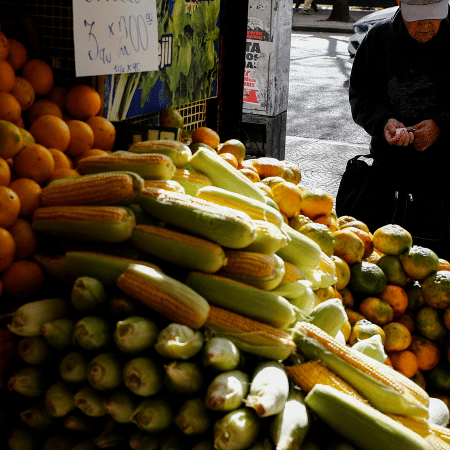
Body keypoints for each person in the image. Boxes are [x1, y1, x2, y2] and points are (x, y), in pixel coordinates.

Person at [346, 0, 450, 256]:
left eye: (433, 16)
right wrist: (384, 123)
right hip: (387, 174)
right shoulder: (378, 39)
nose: (426, 25)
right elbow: (361, 98)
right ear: (400, 5)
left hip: (444, 179)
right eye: (417, 17)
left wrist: (441, 126)